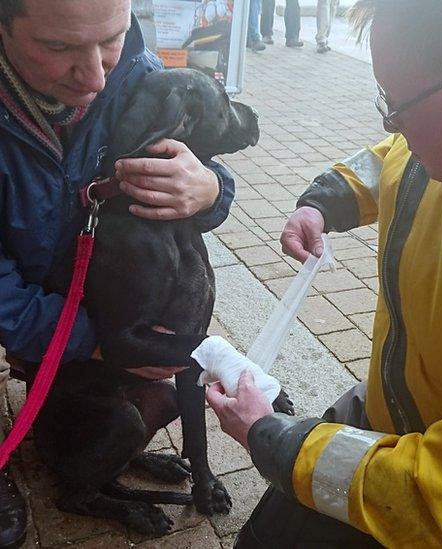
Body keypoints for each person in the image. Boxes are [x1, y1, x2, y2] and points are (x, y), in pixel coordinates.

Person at [206, 0, 442, 547]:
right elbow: (391, 158)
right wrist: (328, 200)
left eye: (399, 103)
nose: (391, 124)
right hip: (387, 409)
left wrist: (269, 435)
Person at [0, 0, 235, 546]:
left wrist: (209, 190)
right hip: (45, 316)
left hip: (102, 314)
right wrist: (96, 343)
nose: (96, 75)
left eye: (112, 37)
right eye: (58, 48)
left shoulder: (138, 76)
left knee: (156, 397)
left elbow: (202, 158)